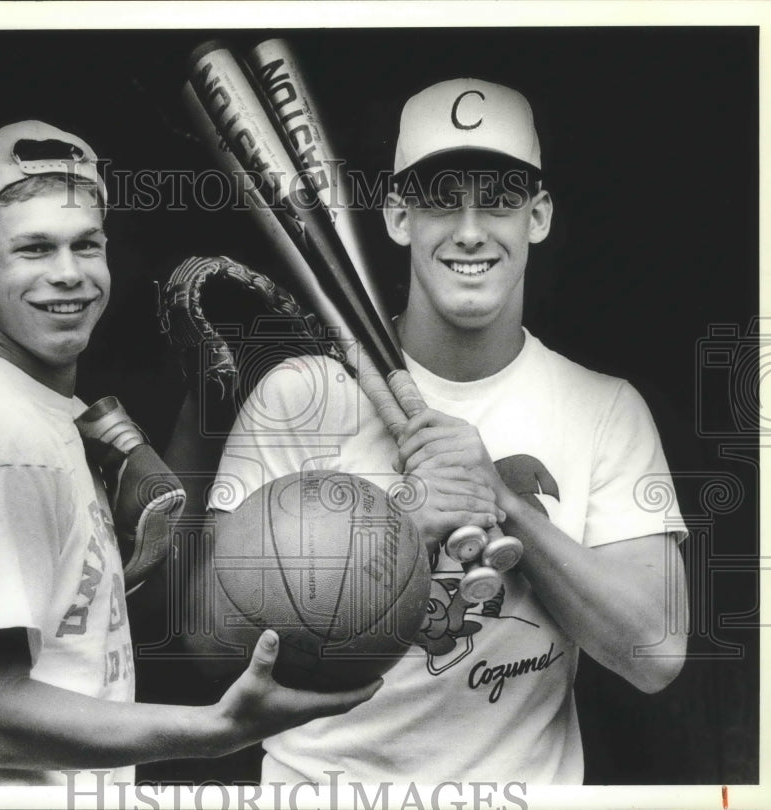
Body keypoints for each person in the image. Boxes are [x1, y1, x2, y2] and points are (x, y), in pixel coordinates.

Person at [201, 79, 689, 785]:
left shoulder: (606, 408)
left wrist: (502, 500)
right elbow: (211, 636)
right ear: (399, 214)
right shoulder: (298, 395)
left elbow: (656, 653)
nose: (469, 229)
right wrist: (396, 528)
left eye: (498, 198)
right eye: (439, 198)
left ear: (539, 215)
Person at [0, 121, 379, 786]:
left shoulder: (46, 418)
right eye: (34, 249)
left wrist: (206, 406)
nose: (68, 274)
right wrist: (217, 731)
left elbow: (100, 627)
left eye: (85, 246)